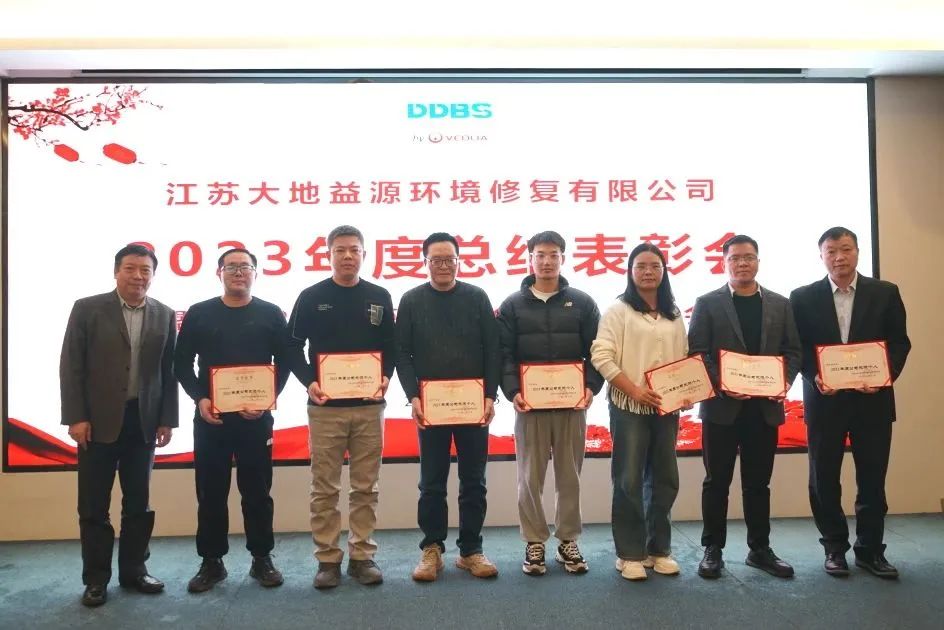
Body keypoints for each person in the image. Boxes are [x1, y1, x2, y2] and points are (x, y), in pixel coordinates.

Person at [59, 243, 178, 607]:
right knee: (94, 505)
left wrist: (167, 418)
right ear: (116, 272)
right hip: (96, 423)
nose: (138, 276)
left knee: (138, 504)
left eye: (145, 270)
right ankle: (96, 579)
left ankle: (134, 571)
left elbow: (168, 371)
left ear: (153, 275)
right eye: (130, 268)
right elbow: (71, 365)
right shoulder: (87, 308)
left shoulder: (164, 314)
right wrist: (76, 416)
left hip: (143, 422)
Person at [790, 226, 910, 579]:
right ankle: (834, 548)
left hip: (872, 401)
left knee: (872, 478)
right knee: (823, 478)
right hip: (824, 401)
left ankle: (870, 550)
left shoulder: (885, 292)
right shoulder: (803, 297)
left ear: (857, 252)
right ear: (821, 256)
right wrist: (815, 376)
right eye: (831, 251)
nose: (839, 257)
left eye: (845, 249)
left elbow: (899, 343)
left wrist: (884, 375)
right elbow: (798, 348)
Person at [174, 248, 290, 593]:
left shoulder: (271, 313)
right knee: (210, 493)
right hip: (212, 420)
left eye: (245, 267)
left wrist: (267, 398)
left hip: (256, 419)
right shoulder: (199, 313)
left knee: (258, 492)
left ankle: (261, 558)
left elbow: (284, 362)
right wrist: (201, 398)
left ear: (256, 273)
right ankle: (212, 562)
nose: (239, 272)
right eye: (231, 267)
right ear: (219, 273)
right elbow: (181, 363)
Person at [286, 225, 396, 589]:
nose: (347, 256)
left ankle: (362, 555)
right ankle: (328, 559)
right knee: (324, 488)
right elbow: (291, 347)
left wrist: (385, 377)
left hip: (369, 407)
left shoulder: (379, 295)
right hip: (325, 408)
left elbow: (391, 346)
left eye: (354, 250)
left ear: (365, 254)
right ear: (328, 254)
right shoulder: (311, 296)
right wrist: (309, 382)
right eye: (340, 250)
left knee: (366, 487)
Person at [687, 235, 802, 579]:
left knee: (758, 484)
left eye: (748, 257)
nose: (742, 263)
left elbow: (793, 351)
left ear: (758, 261)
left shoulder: (781, 304)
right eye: (735, 258)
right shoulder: (708, 303)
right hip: (722, 409)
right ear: (724, 263)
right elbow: (698, 353)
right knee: (716, 482)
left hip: (764, 410)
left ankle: (760, 549)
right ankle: (712, 549)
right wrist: (723, 384)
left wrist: (782, 383)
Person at [496, 230, 603, 576]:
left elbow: (597, 351)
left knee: (570, 476)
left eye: (553, 255)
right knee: (529, 477)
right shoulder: (512, 305)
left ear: (563, 259)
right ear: (530, 259)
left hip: (572, 405)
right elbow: (504, 354)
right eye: (540, 255)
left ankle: (568, 539)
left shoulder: (583, 303)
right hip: (530, 406)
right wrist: (513, 391)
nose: (546, 261)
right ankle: (534, 540)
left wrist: (591, 387)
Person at [396, 232, 501, 581]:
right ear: (425, 262)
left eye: (449, 259)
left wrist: (490, 396)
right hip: (431, 406)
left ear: (459, 261)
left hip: (473, 405)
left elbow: (493, 349)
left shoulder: (476, 297)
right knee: (431, 482)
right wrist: (413, 396)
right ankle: (432, 549)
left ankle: (471, 550)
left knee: (474, 481)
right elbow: (402, 353)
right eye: (436, 260)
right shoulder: (411, 300)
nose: (443, 265)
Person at [590, 242, 688, 581]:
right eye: (641, 266)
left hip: (665, 409)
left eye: (655, 266)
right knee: (628, 480)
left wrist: (686, 392)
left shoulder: (674, 313)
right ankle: (630, 554)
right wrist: (634, 390)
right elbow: (601, 356)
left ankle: (658, 550)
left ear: (664, 271)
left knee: (664, 479)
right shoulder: (618, 311)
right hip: (629, 406)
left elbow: (684, 358)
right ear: (630, 272)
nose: (648, 272)